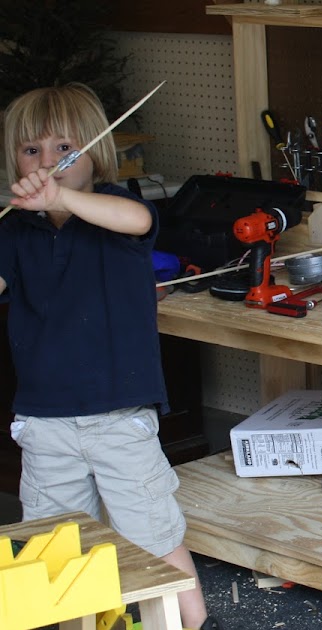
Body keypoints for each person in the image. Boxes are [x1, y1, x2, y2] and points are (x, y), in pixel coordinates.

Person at [1, 83, 217, 630]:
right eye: (31, 150)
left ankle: (195, 624)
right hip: (44, 418)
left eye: (64, 149)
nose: (47, 162)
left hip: (119, 413)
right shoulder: (15, 229)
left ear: (95, 153)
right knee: (55, 545)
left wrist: (61, 200)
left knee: (152, 534)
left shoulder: (120, 209)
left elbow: (137, 222)